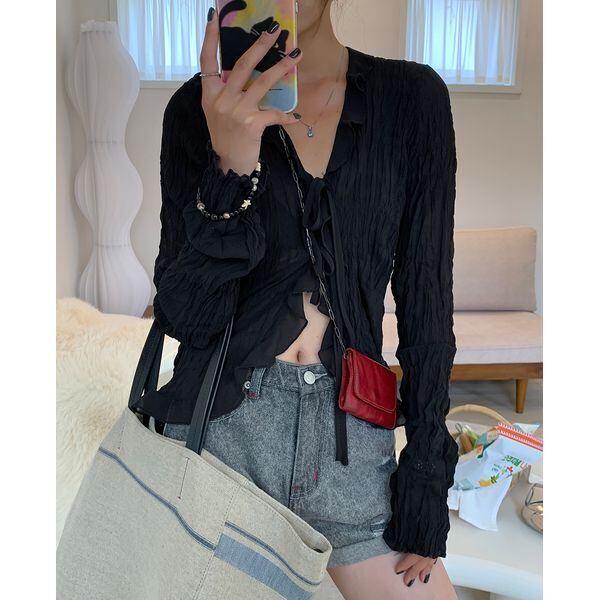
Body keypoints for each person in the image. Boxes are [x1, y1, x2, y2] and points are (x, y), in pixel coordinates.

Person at [141, 1, 459, 597]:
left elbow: (427, 304)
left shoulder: (412, 99)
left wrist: (425, 470)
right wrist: (232, 167)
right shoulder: (195, 108)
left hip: (349, 440)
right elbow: (185, 314)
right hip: (220, 435)